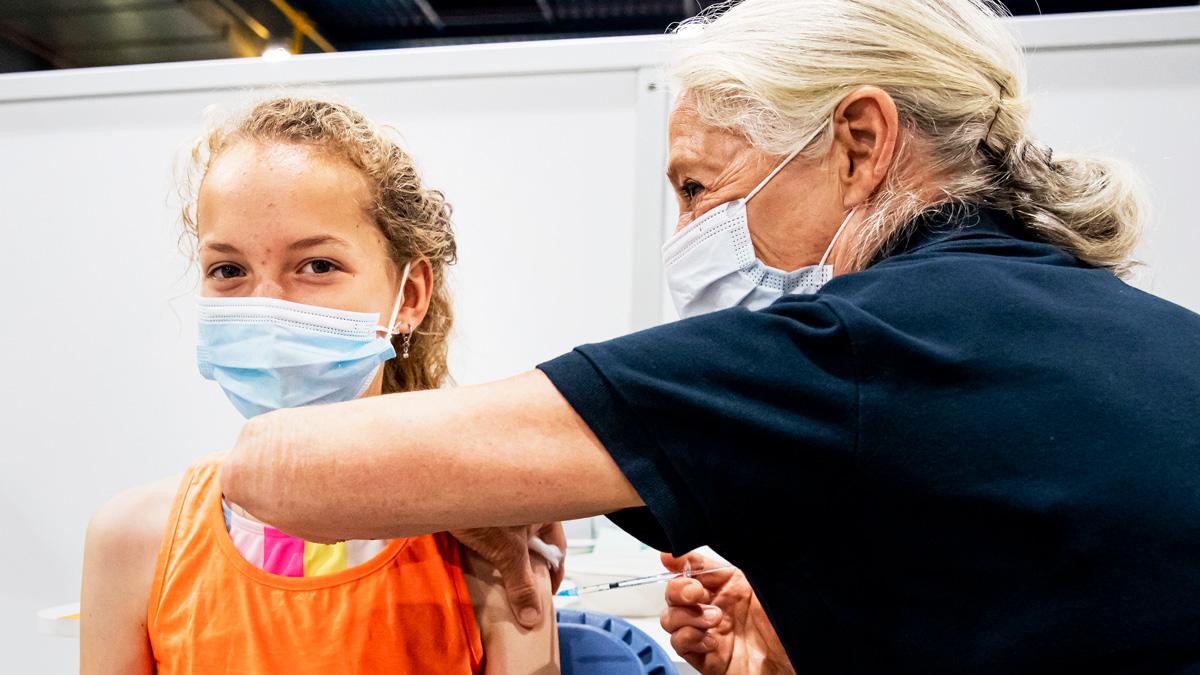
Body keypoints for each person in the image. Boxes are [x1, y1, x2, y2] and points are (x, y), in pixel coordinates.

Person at [220, 1, 1200, 673]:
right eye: (227, 267)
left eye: (698, 187)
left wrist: (480, 491)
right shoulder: (1163, 341)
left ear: (858, 144)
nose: (687, 237)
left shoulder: (841, 352)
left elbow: (283, 470)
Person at [80, 97, 560, 674]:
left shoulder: (487, 538)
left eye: (316, 266)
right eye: (228, 270)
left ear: (408, 296)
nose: (266, 307)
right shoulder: (135, 541)